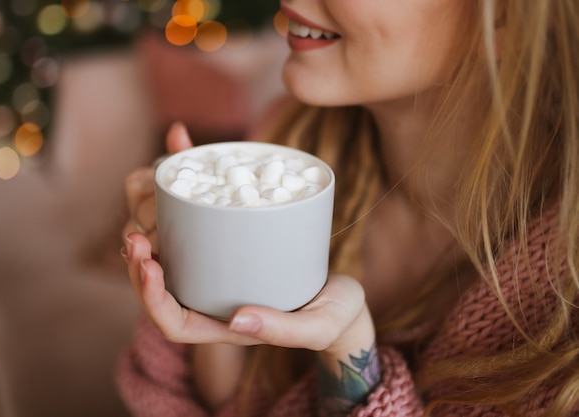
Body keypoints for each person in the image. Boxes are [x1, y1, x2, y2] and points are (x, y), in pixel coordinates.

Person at [116, 1, 579, 416]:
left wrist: (348, 351)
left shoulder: (565, 307)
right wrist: (199, 270)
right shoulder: (291, 145)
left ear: (501, 18)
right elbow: (229, 401)